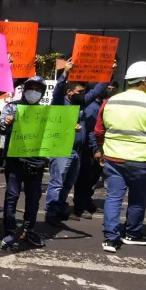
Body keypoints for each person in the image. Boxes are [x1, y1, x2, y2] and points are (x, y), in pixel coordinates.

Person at [94, 61, 146, 253]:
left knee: (113, 198)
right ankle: (132, 234)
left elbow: (99, 131)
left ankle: (110, 238)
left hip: (113, 158)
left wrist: (102, 151)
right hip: (141, 161)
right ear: (145, 81)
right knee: (137, 199)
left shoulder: (109, 102)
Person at [44, 60, 111, 225]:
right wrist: (65, 74)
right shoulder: (60, 103)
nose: (83, 94)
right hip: (61, 149)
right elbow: (58, 90)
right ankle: (51, 212)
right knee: (57, 183)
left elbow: (97, 90)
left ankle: (60, 207)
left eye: (83, 92)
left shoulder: (80, 103)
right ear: (69, 92)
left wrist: (109, 71)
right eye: (79, 91)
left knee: (68, 183)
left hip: (76, 151)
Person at [0, 76, 50, 249]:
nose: (34, 92)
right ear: (24, 89)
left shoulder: (47, 112)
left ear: (42, 93)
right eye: (31, 88)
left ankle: (29, 230)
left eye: (38, 89)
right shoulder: (11, 107)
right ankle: (9, 232)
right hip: (15, 162)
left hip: (36, 162)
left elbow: (52, 134)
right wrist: (6, 123)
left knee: (33, 199)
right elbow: (0, 128)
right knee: (12, 197)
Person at [72, 82, 113, 219]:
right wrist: (96, 149)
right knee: (84, 178)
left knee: (93, 178)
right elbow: (91, 131)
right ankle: (80, 206)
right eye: (107, 87)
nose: (109, 89)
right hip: (88, 149)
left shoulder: (100, 105)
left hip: (97, 147)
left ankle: (87, 202)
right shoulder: (91, 107)